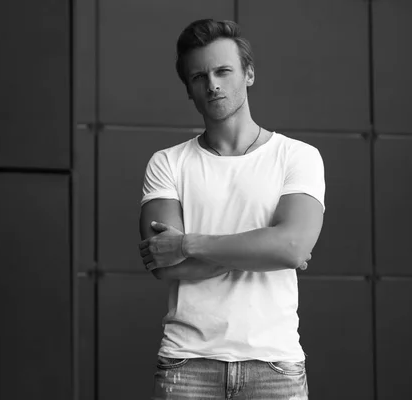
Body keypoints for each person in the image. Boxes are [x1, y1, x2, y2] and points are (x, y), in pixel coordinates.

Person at [138, 19, 325, 400]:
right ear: (189, 90)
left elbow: (289, 248)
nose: (213, 84)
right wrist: (268, 248)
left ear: (249, 74)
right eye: (199, 76)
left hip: (274, 366)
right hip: (186, 365)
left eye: (223, 71)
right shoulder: (167, 164)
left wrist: (188, 244)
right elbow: (165, 265)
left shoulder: (298, 157)